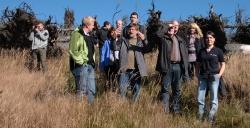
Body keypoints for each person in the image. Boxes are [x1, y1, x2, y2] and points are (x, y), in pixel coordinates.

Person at [154, 21, 189, 114]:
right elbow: (157, 34)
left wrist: (185, 69)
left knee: (177, 89)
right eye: (171, 27)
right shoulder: (163, 39)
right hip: (167, 66)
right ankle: (165, 111)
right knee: (165, 89)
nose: (172, 28)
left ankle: (176, 110)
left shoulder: (180, 40)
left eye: (174, 27)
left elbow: (185, 55)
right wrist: (166, 26)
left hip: (178, 67)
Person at [196, 31, 225, 123]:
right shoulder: (201, 51)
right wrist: (197, 75)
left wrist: (219, 75)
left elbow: (223, 64)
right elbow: (197, 65)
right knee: (200, 98)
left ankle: (211, 117)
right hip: (203, 77)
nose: (209, 39)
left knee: (214, 99)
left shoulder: (218, 51)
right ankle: (201, 117)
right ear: (205, 39)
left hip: (214, 77)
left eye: (211, 38)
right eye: (207, 38)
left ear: (214, 39)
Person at [69, 16, 96, 104]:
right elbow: (73, 50)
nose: (93, 26)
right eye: (92, 24)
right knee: (81, 90)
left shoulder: (90, 36)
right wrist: (82, 62)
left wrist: (93, 63)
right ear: (87, 25)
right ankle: (79, 112)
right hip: (81, 66)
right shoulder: (76, 34)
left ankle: (90, 111)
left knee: (92, 90)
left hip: (90, 66)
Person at [119, 23, 148, 102]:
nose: (131, 31)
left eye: (133, 29)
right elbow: (114, 47)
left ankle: (134, 107)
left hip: (136, 70)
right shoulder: (124, 40)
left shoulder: (140, 42)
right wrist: (114, 38)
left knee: (136, 90)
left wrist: (144, 39)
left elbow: (148, 49)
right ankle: (122, 107)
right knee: (122, 90)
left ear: (137, 31)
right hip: (124, 69)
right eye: (130, 29)